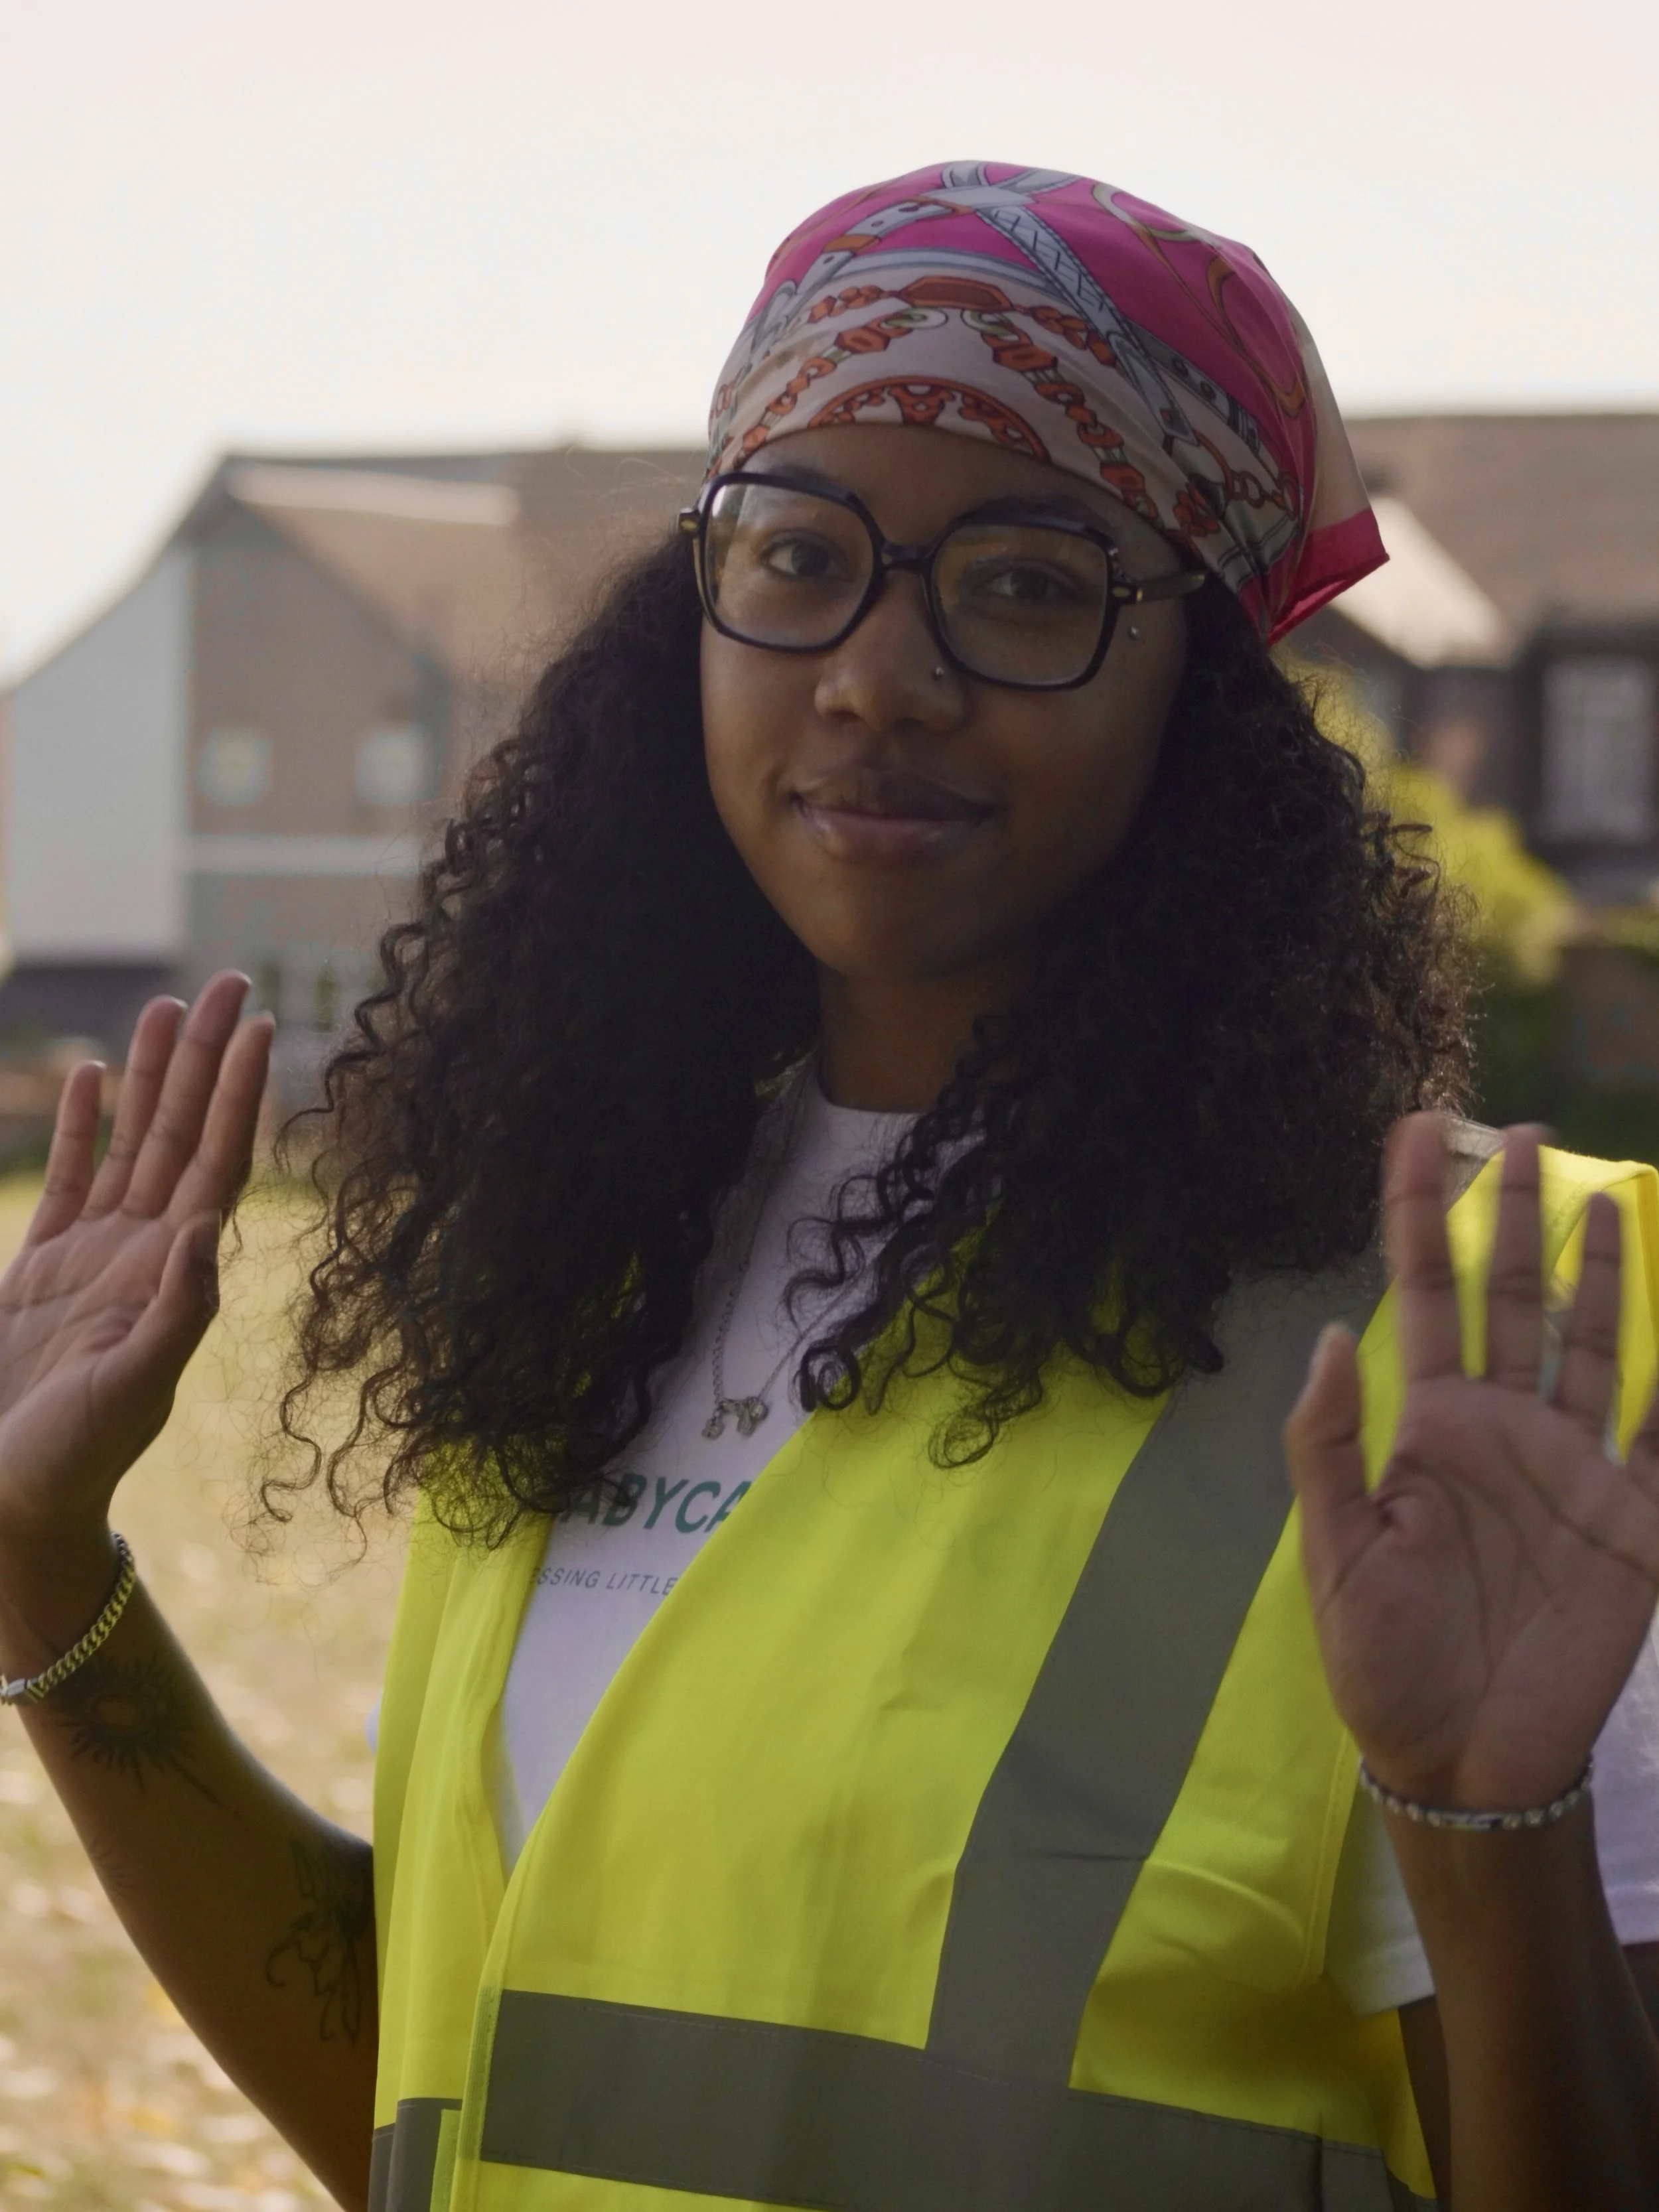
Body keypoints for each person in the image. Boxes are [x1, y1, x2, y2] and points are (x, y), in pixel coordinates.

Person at [1, 163, 1658, 2212]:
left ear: (1206, 704)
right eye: (798, 555)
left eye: (1029, 581)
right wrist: (44, 1568)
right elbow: (434, 2098)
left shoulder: (1486, 1343)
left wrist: (1488, 1833)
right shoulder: (597, 1264)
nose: (876, 671)